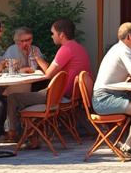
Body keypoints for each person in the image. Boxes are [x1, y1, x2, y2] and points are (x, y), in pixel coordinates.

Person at [5, 18, 93, 147]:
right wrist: (36, 57)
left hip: (58, 96)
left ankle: (12, 135)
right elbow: (51, 72)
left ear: (61, 34)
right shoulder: (79, 48)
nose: (52, 36)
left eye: (53, 33)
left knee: (13, 98)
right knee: (28, 96)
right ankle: (32, 136)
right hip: (70, 96)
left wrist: (35, 57)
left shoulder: (66, 49)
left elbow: (48, 74)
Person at [92, 22, 131, 160]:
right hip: (104, 99)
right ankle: (128, 148)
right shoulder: (123, 51)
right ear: (129, 36)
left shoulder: (119, 49)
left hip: (110, 94)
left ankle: (129, 145)